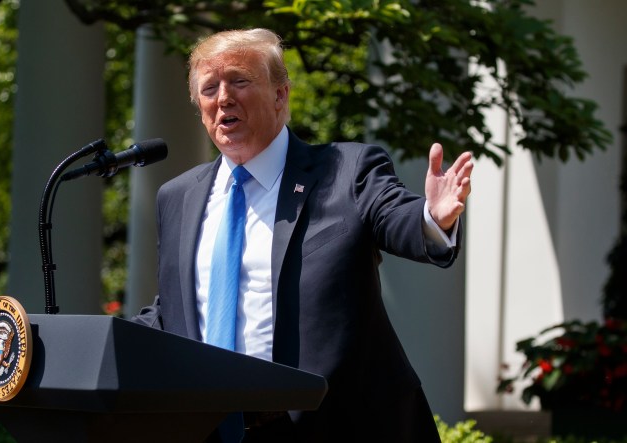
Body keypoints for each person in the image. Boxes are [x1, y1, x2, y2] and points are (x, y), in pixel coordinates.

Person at [133, 28, 473, 442]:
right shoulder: (177, 197)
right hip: (211, 430)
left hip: (332, 426)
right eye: (209, 88)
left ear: (281, 95)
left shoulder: (346, 170)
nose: (223, 98)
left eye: (240, 81)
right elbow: (176, 311)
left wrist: (431, 217)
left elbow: (395, 217)